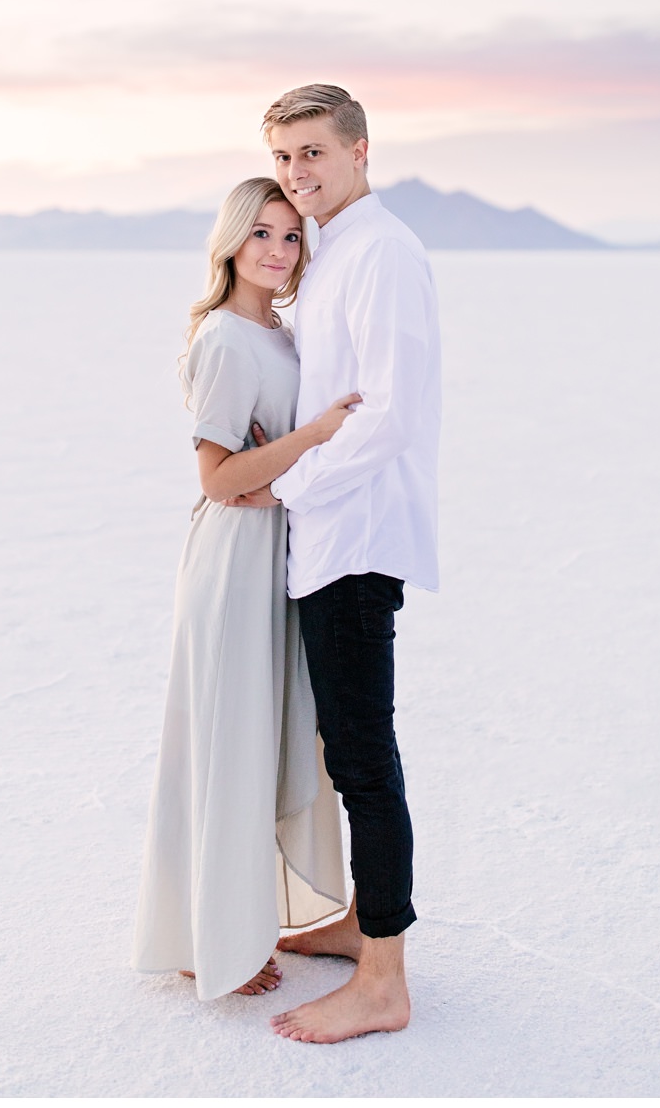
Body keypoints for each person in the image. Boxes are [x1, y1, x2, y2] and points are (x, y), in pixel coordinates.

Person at [132, 177, 359, 999]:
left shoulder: (283, 336)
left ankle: (236, 921)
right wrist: (313, 435)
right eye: (261, 233)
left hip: (277, 555)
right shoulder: (227, 339)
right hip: (235, 563)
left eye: (292, 237)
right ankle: (208, 939)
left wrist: (291, 465)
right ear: (231, 240)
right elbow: (220, 476)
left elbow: (263, 468)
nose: (276, 249)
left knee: (258, 744)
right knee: (227, 747)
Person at [255, 82, 441, 1045]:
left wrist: (289, 489)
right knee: (340, 749)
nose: (298, 175)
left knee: (366, 762)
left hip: (355, 538)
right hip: (323, 535)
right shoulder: (331, 256)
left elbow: (390, 412)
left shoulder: (382, 254)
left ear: (362, 151)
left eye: (315, 154)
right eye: (285, 158)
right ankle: (362, 928)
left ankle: (385, 981)